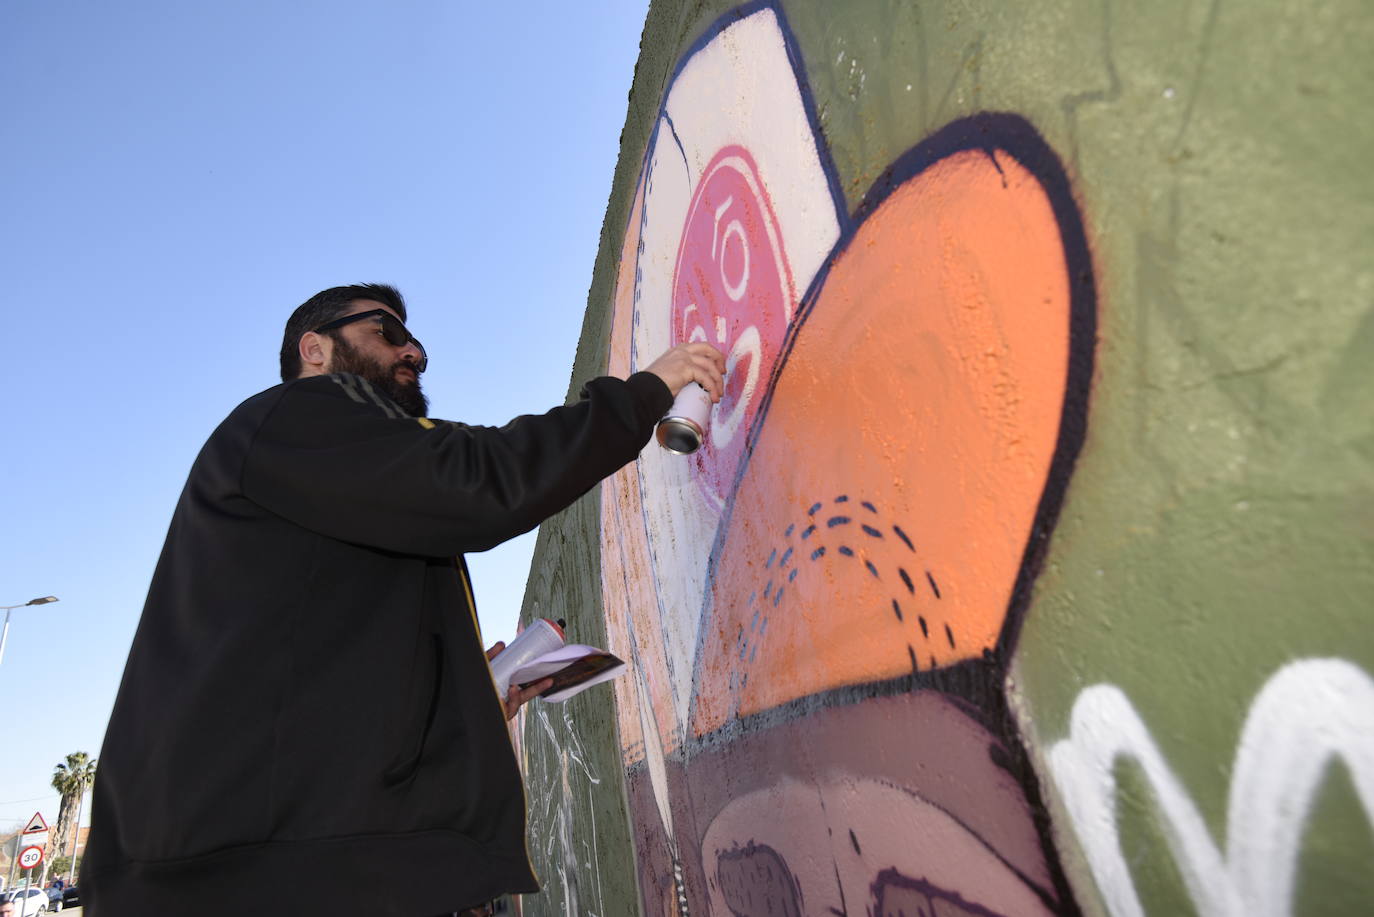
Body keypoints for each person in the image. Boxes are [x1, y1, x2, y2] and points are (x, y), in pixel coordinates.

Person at [80, 284, 725, 915]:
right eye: (386, 332)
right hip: (263, 877)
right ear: (315, 349)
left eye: (416, 341)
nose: (412, 351)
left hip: (294, 866)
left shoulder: (337, 486)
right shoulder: (296, 415)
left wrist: (469, 699)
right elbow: (479, 481)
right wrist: (644, 393)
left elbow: (324, 685)